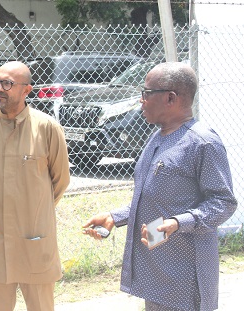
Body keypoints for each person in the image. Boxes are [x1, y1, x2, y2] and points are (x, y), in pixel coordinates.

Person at [83, 62, 238, 311]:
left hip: (186, 277)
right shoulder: (158, 137)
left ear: (170, 98)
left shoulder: (202, 143)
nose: (141, 100)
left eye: (146, 93)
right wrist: (115, 217)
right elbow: (155, 199)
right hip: (156, 272)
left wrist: (178, 223)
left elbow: (224, 203)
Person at [0, 61, 71, 311]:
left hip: (34, 237)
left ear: (27, 90)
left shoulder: (46, 127)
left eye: (8, 83)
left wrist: (35, 207)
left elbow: (60, 179)